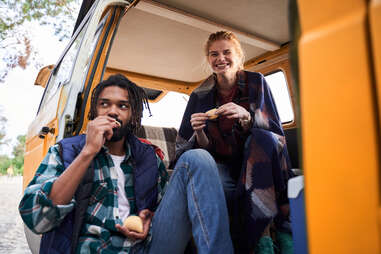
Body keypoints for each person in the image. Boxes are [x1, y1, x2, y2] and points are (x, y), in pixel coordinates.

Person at [19, 74, 233, 254]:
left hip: (145, 247)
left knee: (198, 158)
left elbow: (164, 210)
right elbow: (37, 219)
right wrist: (87, 152)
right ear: (95, 112)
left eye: (122, 106)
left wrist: (149, 217)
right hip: (88, 247)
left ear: (132, 117)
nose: (113, 111)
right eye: (104, 104)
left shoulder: (149, 157)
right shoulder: (67, 151)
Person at [176, 31, 293, 254]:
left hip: (256, 157)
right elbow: (195, 150)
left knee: (261, 138)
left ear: (238, 56)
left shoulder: (256, 82)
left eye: (226, 52)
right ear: (208, 59)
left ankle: (263, 238)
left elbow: (275, 136)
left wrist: (247, 116)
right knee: (213, 182)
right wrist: (199, 132)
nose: (221, 58)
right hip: (220, 162)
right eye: (214, 54)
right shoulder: (199, 95)